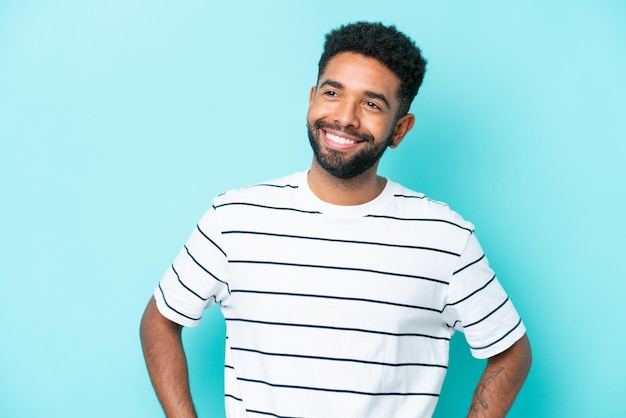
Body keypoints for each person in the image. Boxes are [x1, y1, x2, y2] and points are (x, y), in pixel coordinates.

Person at [140, 21, 531, 418]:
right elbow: (159, 322)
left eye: (371, 104)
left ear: (400, 130)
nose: (345, 118)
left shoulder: (446, 239)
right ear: (312, 99)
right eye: (332, 93)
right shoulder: (234, 219)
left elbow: (512, 353)